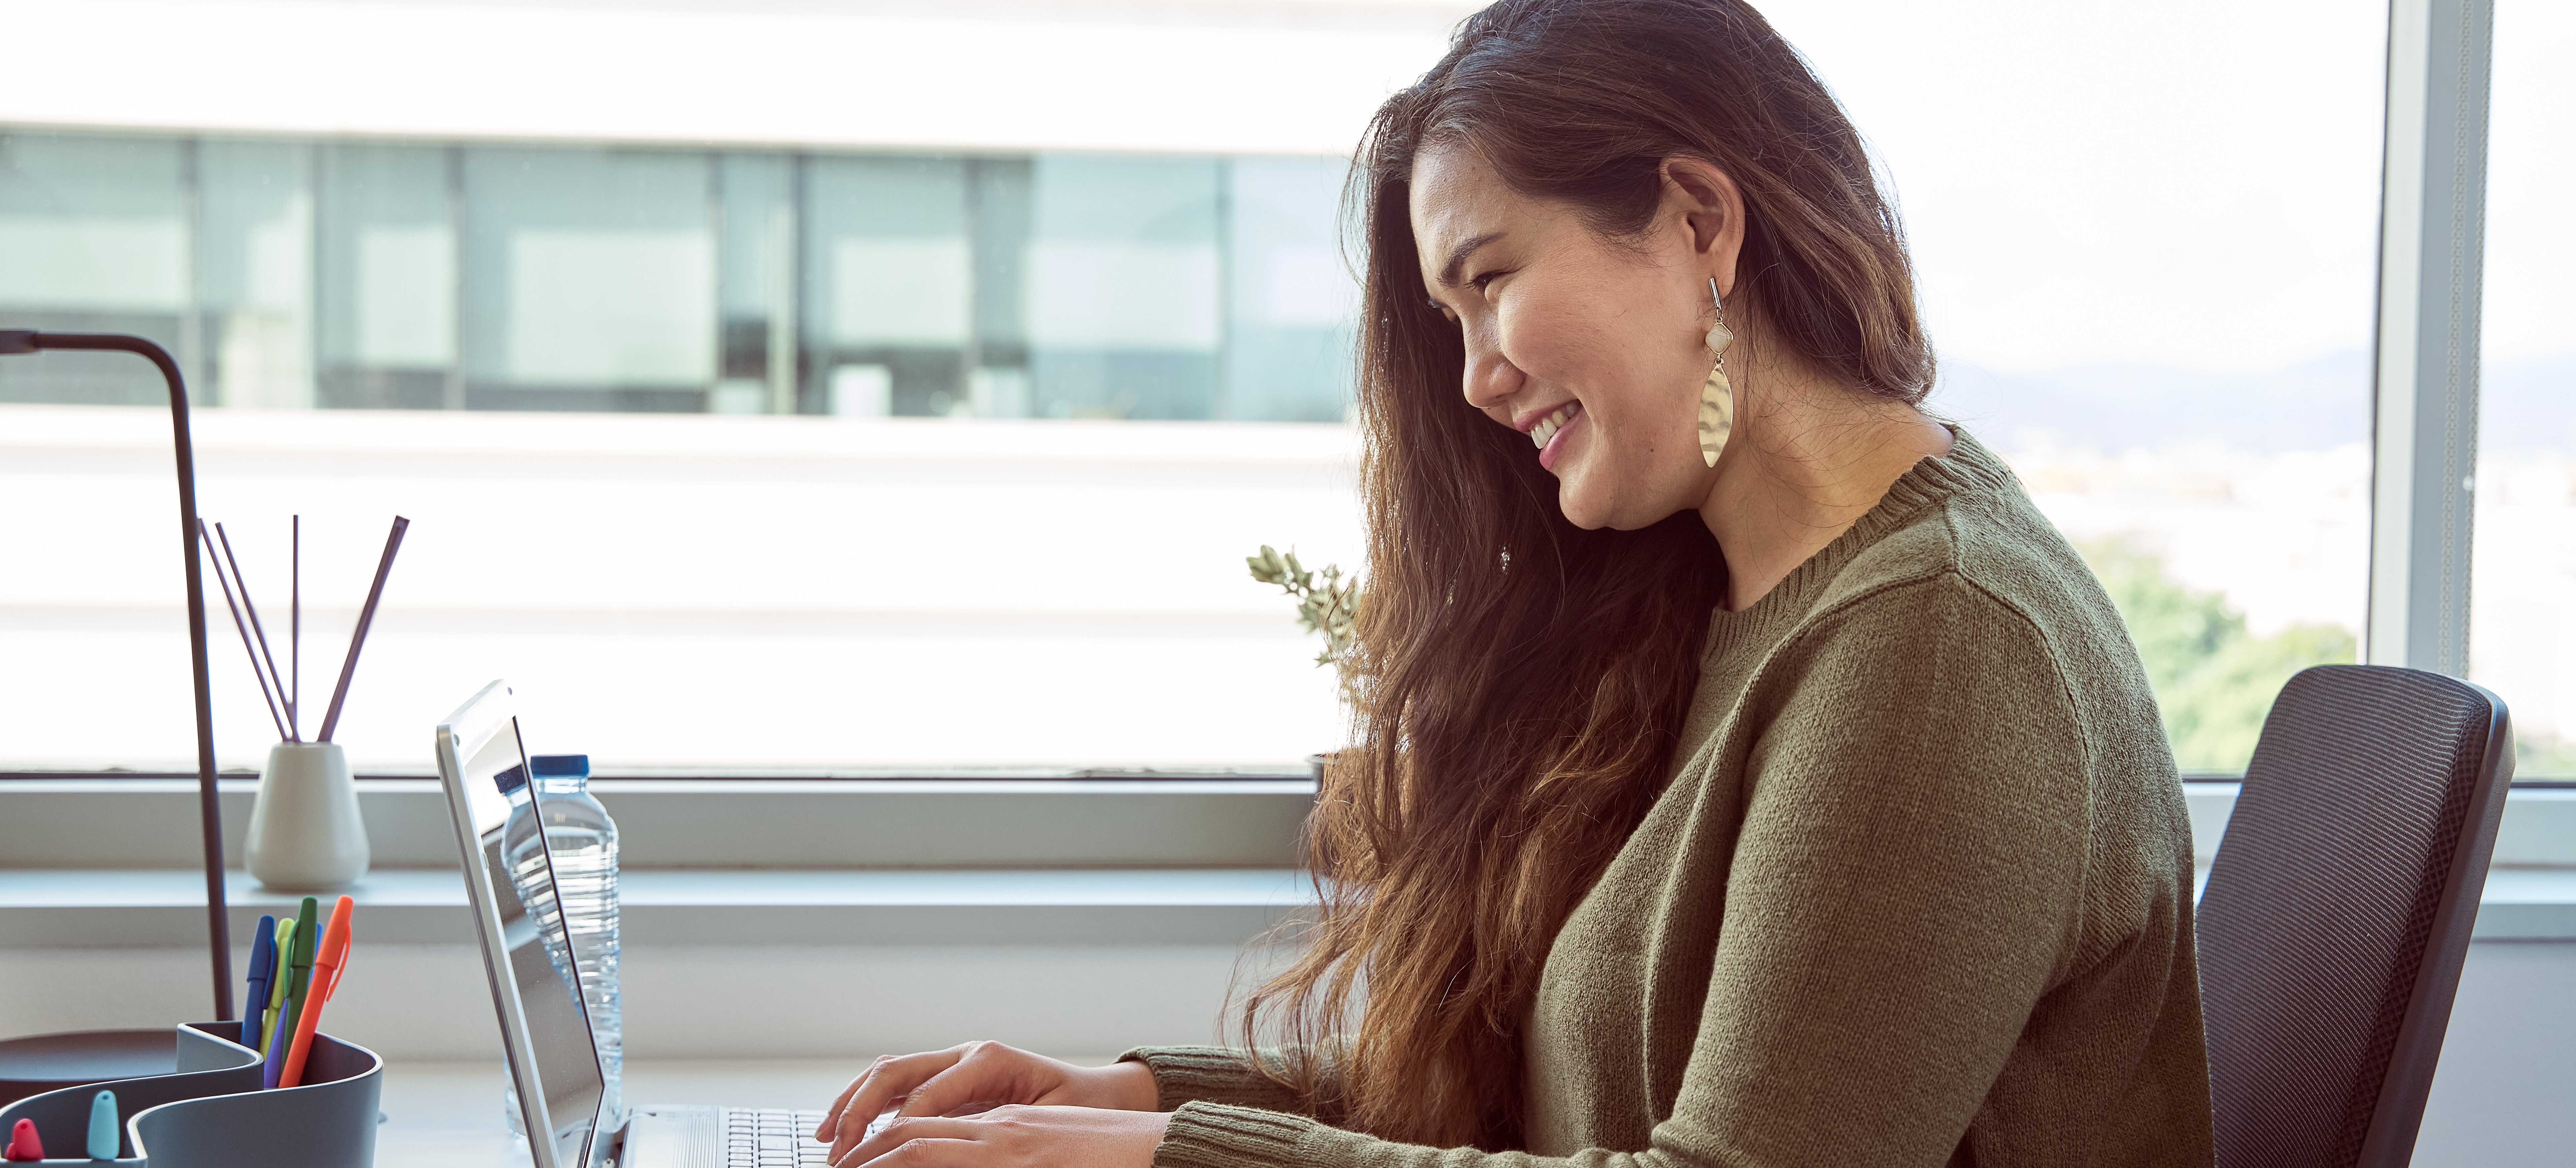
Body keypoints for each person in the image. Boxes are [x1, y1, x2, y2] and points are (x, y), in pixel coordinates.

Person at [813, 0, 2215, 1164]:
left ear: (1697, 223)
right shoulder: (1721, 600)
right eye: (1448, 318)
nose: (1476, 378)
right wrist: (1138, 1098)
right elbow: (1562, 1097)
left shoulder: (1941, 645)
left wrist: (1173, 1163)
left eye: (1488, 282)